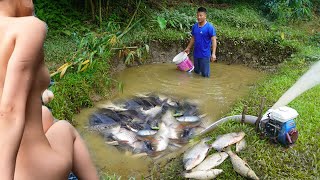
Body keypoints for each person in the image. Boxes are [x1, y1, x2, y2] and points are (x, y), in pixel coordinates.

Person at [0, 0, 99, 179]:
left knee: (44, 114)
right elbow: (10, 111)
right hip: (27, 173)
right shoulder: (28, 28)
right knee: (64, 127)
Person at [184, 7, 217, 78]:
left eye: (201, 15)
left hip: (205, 55)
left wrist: (213, 54)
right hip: (196, 54)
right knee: (196, 73)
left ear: (205, 16)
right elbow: (193, 38)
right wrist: (188, 48)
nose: (198, 17)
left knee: (205, 75)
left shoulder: (209, 27)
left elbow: (214, 40)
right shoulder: (194, 27)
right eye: (197, 15)